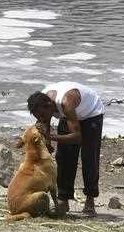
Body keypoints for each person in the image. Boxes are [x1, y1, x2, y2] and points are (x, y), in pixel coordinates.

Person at [27, 81, 106, 217]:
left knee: (89, 157)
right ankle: (64, 199)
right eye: (37, 116)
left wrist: (51, 136)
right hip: (69, 116)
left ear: (50, 106)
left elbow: (77, 137)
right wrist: (47, 142)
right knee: (63, 156)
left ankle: (90, 201)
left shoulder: (66, 103)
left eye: (41, 115)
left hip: (91, 113)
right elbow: (44, 123)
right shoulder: (43, 103)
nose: (40, 119)